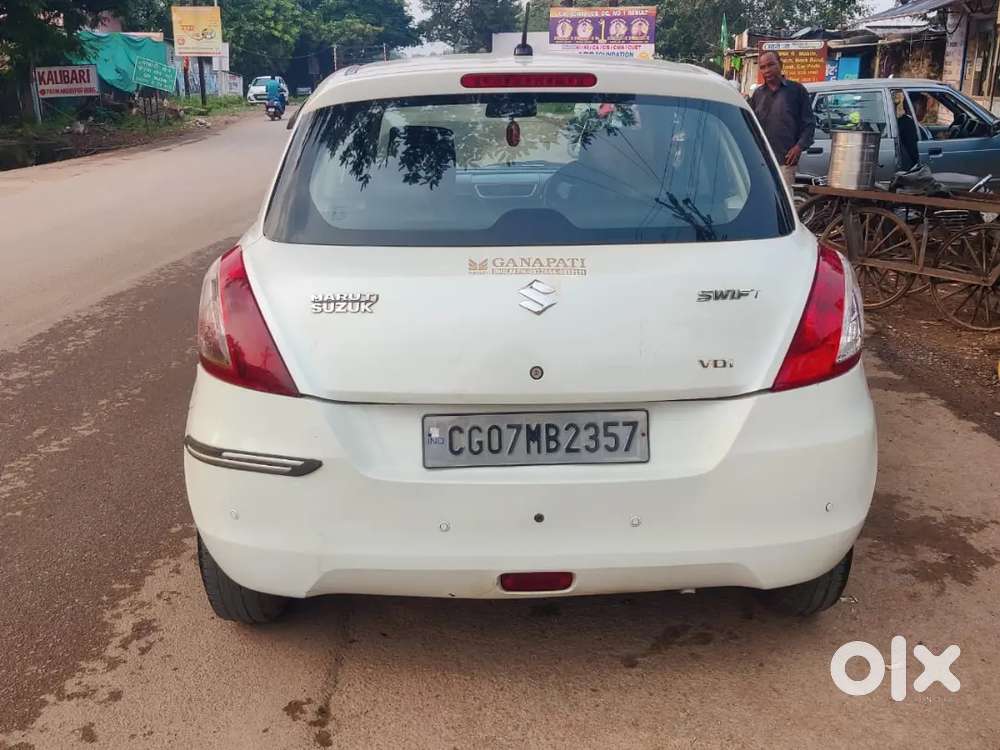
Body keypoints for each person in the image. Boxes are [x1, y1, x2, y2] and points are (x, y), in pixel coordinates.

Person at [749, 51, 815, 187]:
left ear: (780, 65)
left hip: (785, 161)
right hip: (761, 161)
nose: (767, 70)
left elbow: (809, 124)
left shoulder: (797, 91)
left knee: (782, 203)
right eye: (763, 67)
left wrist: (799, 147)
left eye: (770, 65)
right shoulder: (758, 94)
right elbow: (750, 125)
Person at [896, 92, 927, 172]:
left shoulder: (905, 122)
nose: (926, 111)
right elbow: (917, 154)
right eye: (923, 107)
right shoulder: (910, 128)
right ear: (913, 107)